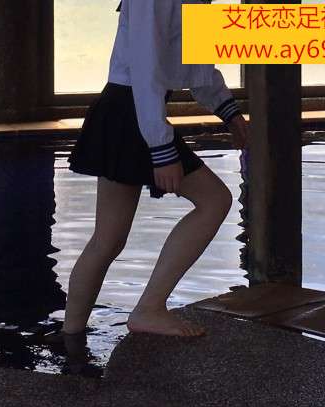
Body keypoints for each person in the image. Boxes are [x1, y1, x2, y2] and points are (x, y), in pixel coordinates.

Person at [63, 0, 248, 338]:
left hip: (134, 111)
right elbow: (144, 68)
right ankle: (148, 309)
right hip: (130, 110)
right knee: (214, 201)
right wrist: (161, 149)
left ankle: (70, 336)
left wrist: (231, 114)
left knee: (107, 240)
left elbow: (199, 65)